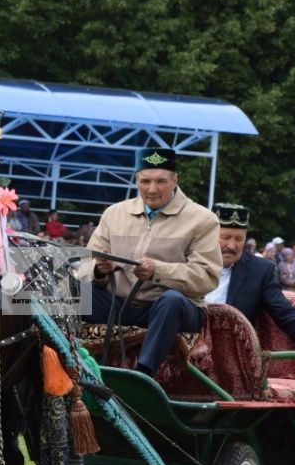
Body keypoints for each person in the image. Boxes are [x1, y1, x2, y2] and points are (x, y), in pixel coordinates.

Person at [80, 148, 221, 377]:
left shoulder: (203, 220)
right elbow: (83, 265)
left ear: (175, 180)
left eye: (161, 181)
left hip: (169, 309)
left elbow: (207, 277)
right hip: (119, 305)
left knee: (171, 301)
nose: (152, 189)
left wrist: (159, 271)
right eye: (145, 181)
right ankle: (60, 363)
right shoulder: (114, 213)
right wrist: (98, 270)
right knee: (68, 289)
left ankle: (143, 375)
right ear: (136, 179)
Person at [203, 203, 295, 371]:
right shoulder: (186, 260)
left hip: (231, 362)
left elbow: (285, 312)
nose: (232, 246)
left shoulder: (259, 271)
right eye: (225, 237)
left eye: (239, 239)